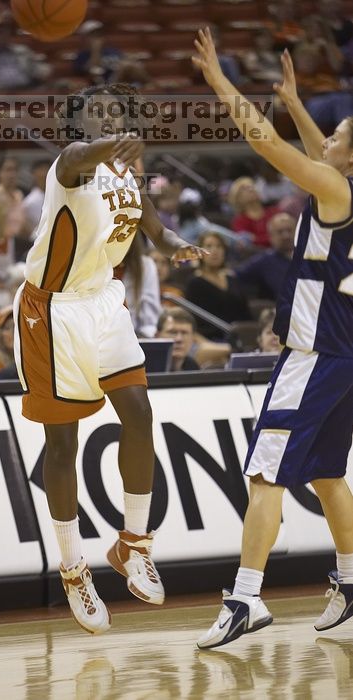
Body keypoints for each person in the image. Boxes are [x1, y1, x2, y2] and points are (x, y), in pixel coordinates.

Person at [13, 83, 204, 635]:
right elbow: (84, 155)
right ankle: (73, 568)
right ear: (79, 124)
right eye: (97, 114)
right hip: (52, 312)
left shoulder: (126, 175)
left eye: (116, 112)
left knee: (140, 414)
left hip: (103, 299)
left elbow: (155, 231)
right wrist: (120, 139)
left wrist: (178, 247)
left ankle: (133, 543)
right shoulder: (68, 167)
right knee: (63, 441)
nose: (109, 120)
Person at [192, 28, 353, 648]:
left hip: (312, 356)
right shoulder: (342, 183)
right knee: (329, 474)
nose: (325, 139)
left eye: (336, 136)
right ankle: (348, 580)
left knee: (265, 474)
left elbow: (267, 147)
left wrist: (221, 84)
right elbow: (319, 149)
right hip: (344, 355)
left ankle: (246, 598)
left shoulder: (333, 188)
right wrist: (291, 99)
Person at [185, 231, 252, 341]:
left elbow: (246, 314)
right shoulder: (194, 283)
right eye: (209, 246)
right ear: (199, 252)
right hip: (211, 340)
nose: (215, 251)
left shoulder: (232, 279)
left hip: (240, 338)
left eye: (219, 246)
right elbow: (193, 322)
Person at [235, 212, 296, 301]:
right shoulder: (264, 261)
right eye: (280, 232)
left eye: (289, 230)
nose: (286, 236)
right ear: (271, 236)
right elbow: (234, 276)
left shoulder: (312, 256)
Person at [114, 233, 162, 338]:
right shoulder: (96, 264)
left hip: (134, 335)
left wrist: (143, 337)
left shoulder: (146, 265)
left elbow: (150, 318)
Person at [22, 160, 52, 232]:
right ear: (34, 174)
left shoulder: (56, 195)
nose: (45, 173)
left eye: (47, 169)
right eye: (42, 169)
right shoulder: (30, 202)